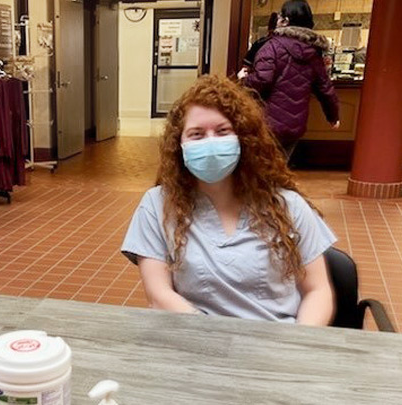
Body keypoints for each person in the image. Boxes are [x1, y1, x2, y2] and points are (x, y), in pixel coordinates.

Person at [121, 75, 336, 326]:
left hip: (277, 343)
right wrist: (213, 341)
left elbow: (317, 290)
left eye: (223, 131)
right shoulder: (157, 205)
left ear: (244, 139)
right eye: (196, 134)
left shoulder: (288, 206)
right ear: (178, 145)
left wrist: (296, 346)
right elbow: (159, 296)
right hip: (195, 340)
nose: (211, 142)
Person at [239, 0, 339, 158]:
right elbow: (325, 88)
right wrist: (333, 116)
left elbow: (262, 80)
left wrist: (244, 79)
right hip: (294, 125)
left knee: (261, 169)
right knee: (280, 167)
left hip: (267, 122)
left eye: (279, 16)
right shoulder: (314, 53)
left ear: (285, 21)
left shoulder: (271, 47)